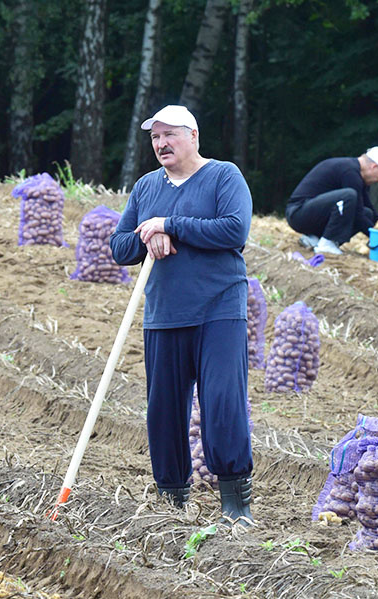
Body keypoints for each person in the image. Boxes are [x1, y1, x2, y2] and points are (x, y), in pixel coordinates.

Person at [109, 105, 254, 525]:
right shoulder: (145, 186)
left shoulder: (224, 176)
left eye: (169, 134)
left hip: (219, 308)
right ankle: (171, 501)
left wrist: (170, 224)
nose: (161, 143)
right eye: (155, 137)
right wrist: (147, 233)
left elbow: (233, 230)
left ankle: (236, 504)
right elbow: (120, 247)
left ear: (193, 135)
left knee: (222, 400)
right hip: (164, 313)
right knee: (164, 410)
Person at [285, 147, 378, 255]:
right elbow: (357, 214)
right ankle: (327, 244)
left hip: (313, 214)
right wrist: (377, 236)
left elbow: (368, 208)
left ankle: (316, 240)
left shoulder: (356, 174)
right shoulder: (349, 172)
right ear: (373, 166)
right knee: (349, 196)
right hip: (298, 213)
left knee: (368, 213)